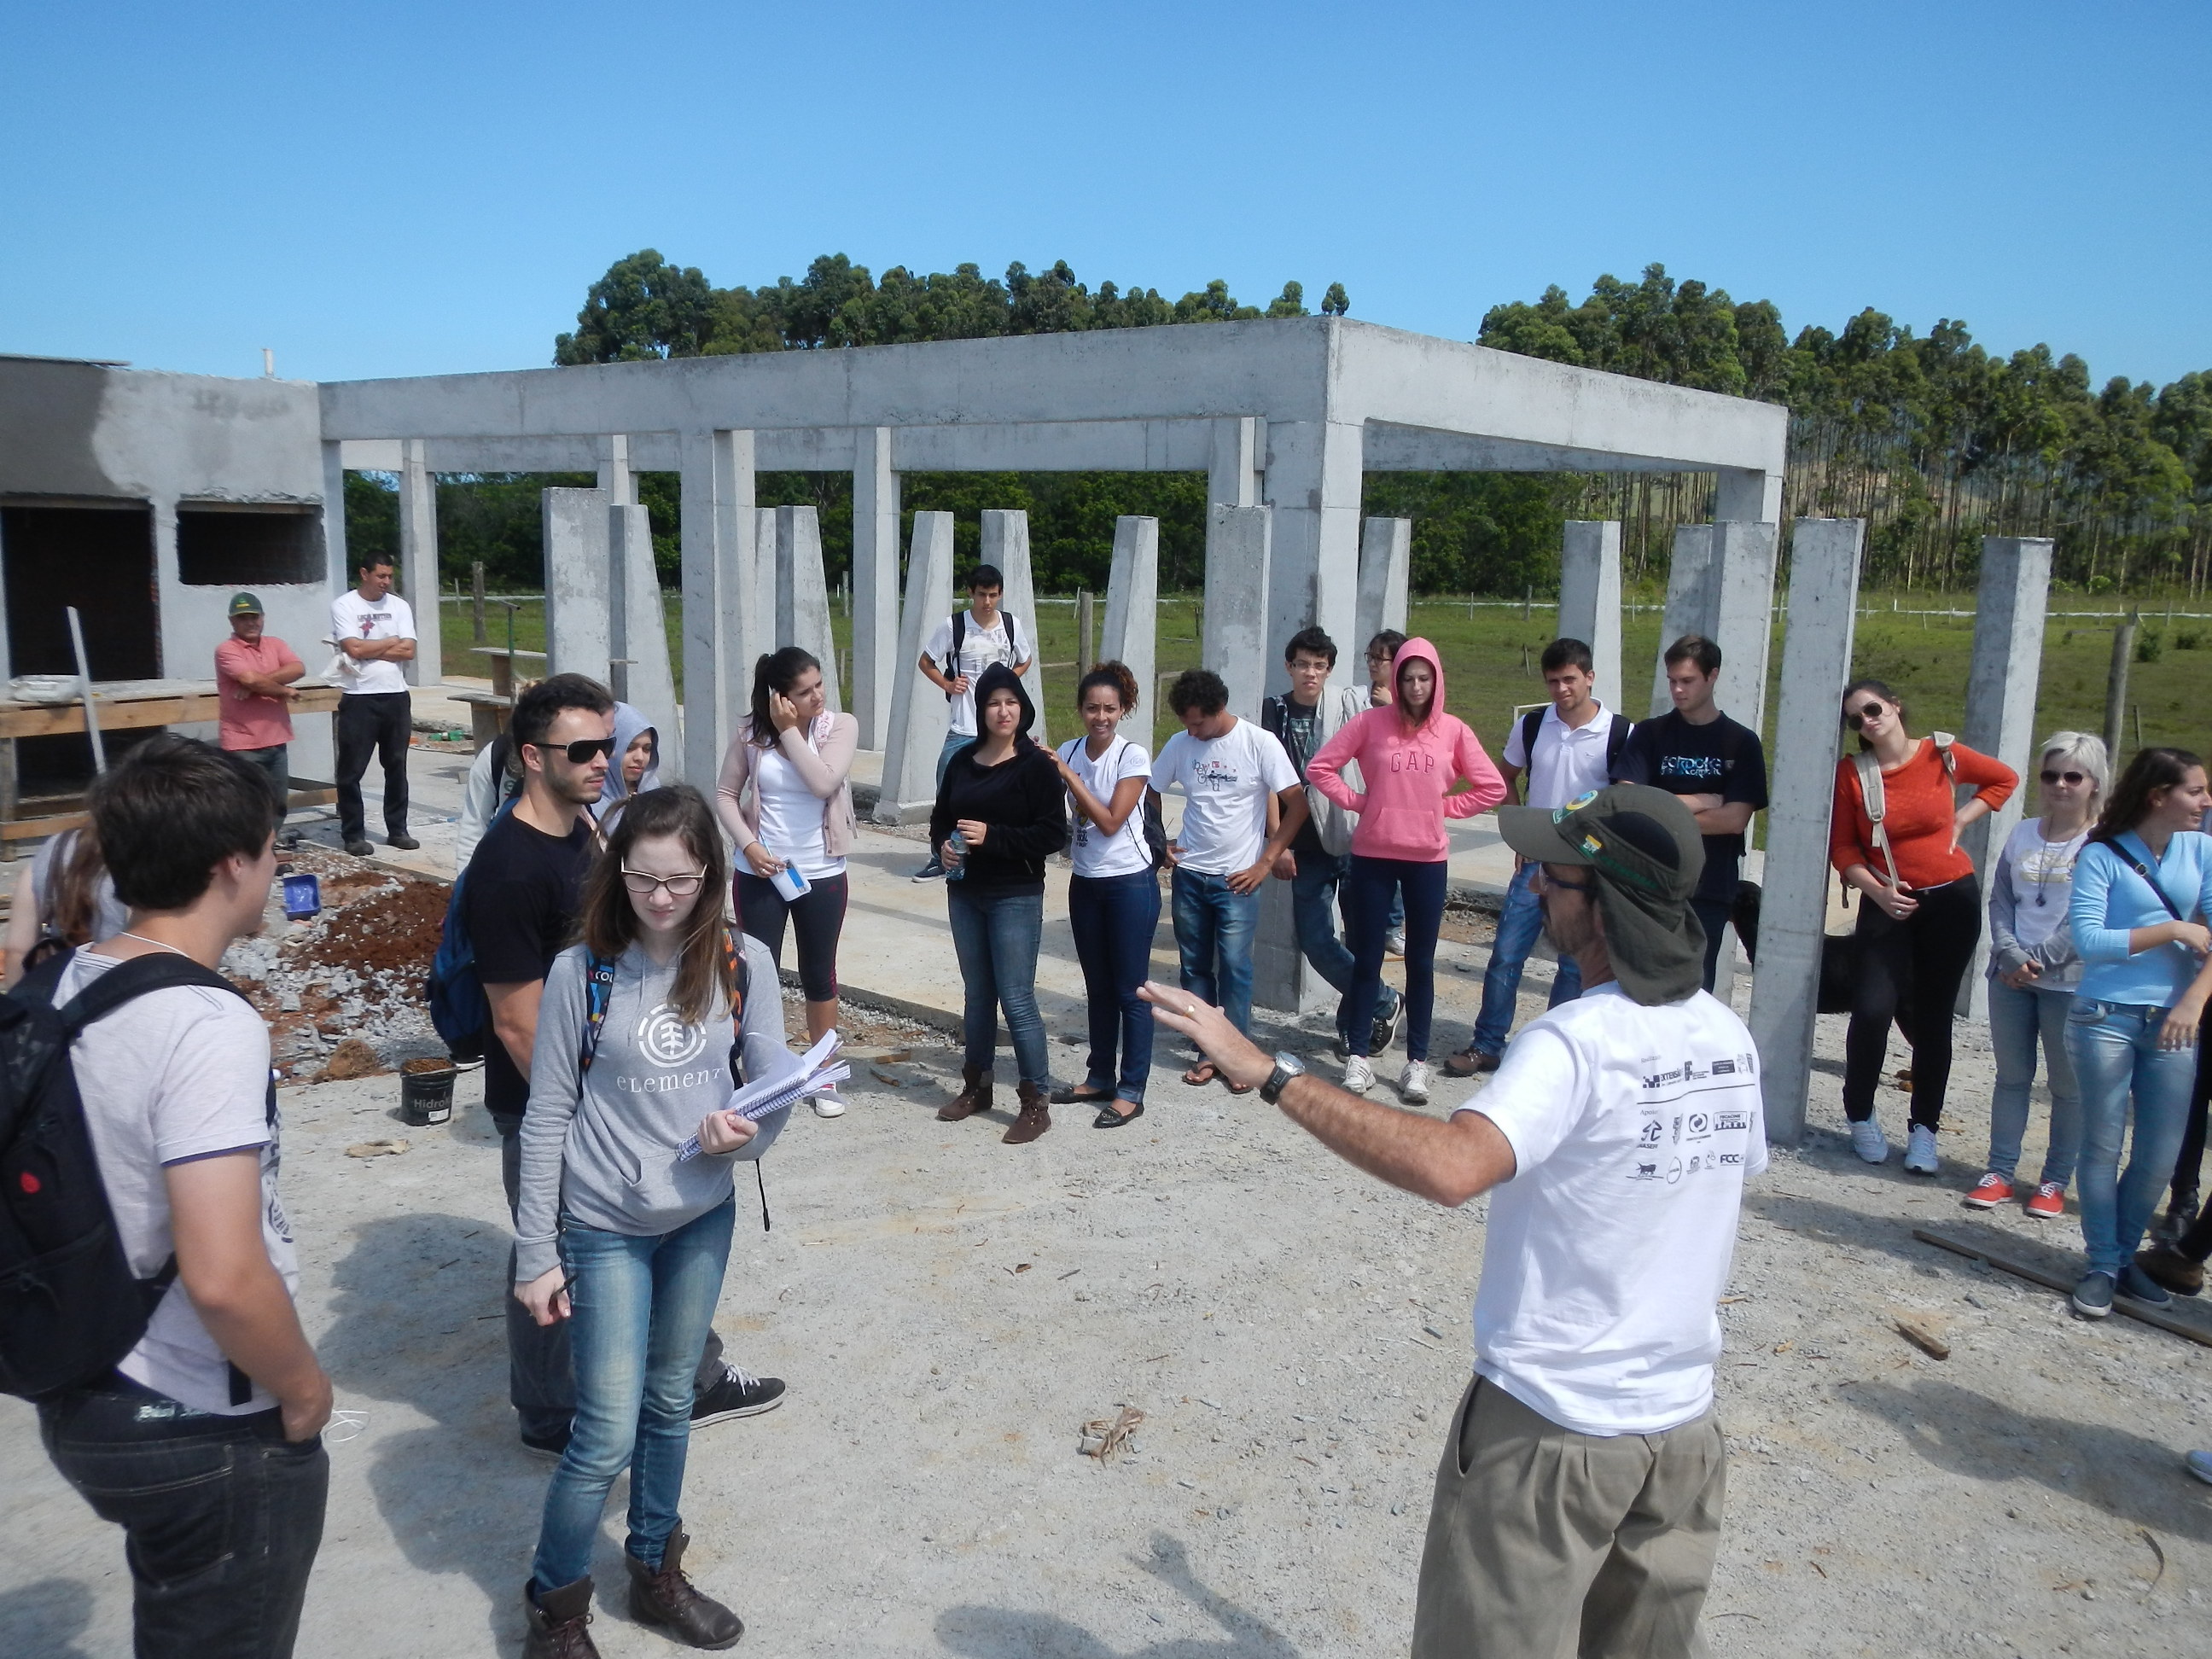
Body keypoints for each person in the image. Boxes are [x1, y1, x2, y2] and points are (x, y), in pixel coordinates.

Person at [1141, 783, 1763, 1658]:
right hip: (1682, 1435)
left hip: (1552, 1437)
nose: (1535, 888)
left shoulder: (1576, 1042)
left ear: (1608, 901)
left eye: (1553, 875)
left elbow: (1450, 1167)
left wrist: (1268, 1072)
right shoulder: (1725, 1038)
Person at [30, 735, 332, 1656]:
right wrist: (303, 1388)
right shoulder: (205, 1026)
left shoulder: (67, 984)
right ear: (231, 864)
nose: (278, 865)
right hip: (197, 1419)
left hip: (86, 1392)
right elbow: (224, 1275)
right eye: (273, 846)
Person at [513, 785, 795, 1656]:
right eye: (642, 880)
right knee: (602, 1429)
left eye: (679, 881)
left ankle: (654, 1570)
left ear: (709, 873)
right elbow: (547, 1115)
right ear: (616, 872)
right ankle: (556, 1613)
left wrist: (742, 1137)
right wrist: (536, 1250)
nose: (662, 899)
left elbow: (776, 1091)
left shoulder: (742, 962)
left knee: (672, 1399)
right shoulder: (581, 972)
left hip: (701, 1218)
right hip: (604, 1224)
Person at [466, 675, 776, 1456]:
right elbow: (514, 1017)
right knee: (556, 1250)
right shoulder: (508, 866)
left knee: (649, 1236)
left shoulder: (584, 831)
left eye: (609, 744)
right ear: (532, 757)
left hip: (609, 1091)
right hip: (551, 1097)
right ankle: (547, 1415)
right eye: (586, 749)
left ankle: (687, 1379)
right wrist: (593, 1120)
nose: (607, 759)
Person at [1829, 678, 2017, 1173]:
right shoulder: (1854, 773)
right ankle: (1861, 1115)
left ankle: (1924, 1131)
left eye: (1873, 709)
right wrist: (1878, 892)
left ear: (1894, 705)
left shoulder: (1941, 753)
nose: (1868, 721)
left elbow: (2004, 779)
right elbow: (1844, 848)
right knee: (1871, 1009)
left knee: (1933, 1019)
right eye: (1856, 719)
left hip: (1951, 899)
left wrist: (1962, 819)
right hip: (1887, 901)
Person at [1307, 637, 1507, 1103]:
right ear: (1395, 680)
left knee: (1420, 963)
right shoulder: (1370, 723)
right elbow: (1321, 768)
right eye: (1407, 677)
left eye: (1424, 677)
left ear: (1436, 680)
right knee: (1367, 959)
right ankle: (1359, 1054)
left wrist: (1445, 808)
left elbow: (1491, 787)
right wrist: (1361, 802)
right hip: (1373, 854)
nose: (1416, 686)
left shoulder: (1453, 731)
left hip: (1427, 859)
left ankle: (1416, 1063)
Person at [2061, 746, 2212, 1319]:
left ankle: (2123, 1259)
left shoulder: (2203, 850)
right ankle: (2104, 1264)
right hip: (2105, 1016)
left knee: (2159, 1155)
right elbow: (2090, 941)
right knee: (2101, 1145)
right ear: (2159, 796)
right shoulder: (2100, 855)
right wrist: (2173, 927)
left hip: (2176, 1022)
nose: (2206, 801)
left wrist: (2193, 1003)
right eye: (2195, 790)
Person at [1449, 637, 1628, 1076]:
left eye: (1570, 679)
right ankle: (1487, 1043)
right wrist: (1520, 830)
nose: (1561, 689)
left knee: (1573, 961)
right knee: (1507, 953)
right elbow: (1503, 777)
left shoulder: (1620, 733)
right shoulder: (1532, 726)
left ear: (1589, 677)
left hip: (1587, 868)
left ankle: (1555, 1053)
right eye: (1553, 681)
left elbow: (1624, 797)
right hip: (1535, 862)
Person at [1148, 668, 1307, 1091]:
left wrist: (1266, 860)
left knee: (1235, 967)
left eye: (1199, 722)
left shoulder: (1258, 743)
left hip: (1238, 878)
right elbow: (1152, 787)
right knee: (1194, 966)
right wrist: (1159, 839)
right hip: (1190, 874)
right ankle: (1207, 1050)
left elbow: (1298, 803)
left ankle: (1238, 1055)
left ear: (1219, 710)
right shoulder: (1181, 743)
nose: (1192, 731)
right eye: (1186, 723)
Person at [716, 646, 859, 1116]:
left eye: (819, 685)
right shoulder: (749, 734)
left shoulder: (839, 726)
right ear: (779, 697)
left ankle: (822, 1073)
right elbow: (724, 795)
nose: (817, 695)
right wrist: (749, 846)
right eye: (805, 691)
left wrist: (789, 731)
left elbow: (823, 781)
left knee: (820, 974)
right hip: (761, 873)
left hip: (821, 873)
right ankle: (765, 1075)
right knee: (757, 974)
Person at [932, 664, 1068, 1141]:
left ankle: (1036, 1101)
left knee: (1016, 997)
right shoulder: (963, 762)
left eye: (1011, 702)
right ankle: (977, 1086)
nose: (1003, 711)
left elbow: (1054, 834)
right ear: (980, 709)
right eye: (993, 702)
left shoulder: (1036, 766)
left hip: (1015, 894)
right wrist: (944, 850)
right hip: (966, 892)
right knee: (976, 994)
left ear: (1022, 707)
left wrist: (994, 837)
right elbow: (939, 822)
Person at [1972, 732, 2104, 1218]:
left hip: (2069, 980)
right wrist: (2009, 954)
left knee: (2066, 1086)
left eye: (2074, 776)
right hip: (2009, 976)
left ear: (2094, 783)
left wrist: (2040, 960)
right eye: (2051, 775)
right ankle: (1999, 1172)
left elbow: (2092, 913)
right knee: (2011, 1077)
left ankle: (2053, 1181)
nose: (2061, 785)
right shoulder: (2024, 832)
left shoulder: (2103, 840)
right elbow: (2001, 898)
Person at [1262, 628, 1406, 1065]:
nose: (1310, 673)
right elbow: (1267, 779)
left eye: (1319, 666)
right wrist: (1277, 843)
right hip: (1304, 844)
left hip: (1357, 834)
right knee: (1315, 940)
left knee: (1364, 938)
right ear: (1288, 666)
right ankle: (1383, 999)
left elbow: (1402, 747)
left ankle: (1354, 1025)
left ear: (1329, 671)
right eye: (1303, 664)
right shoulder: (1275, 711)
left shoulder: (1355, 706)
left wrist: (1388, 712)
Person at [1610, 634, 1768, 992]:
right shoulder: (1650, 734)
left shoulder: (1741, 743)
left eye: (1687, 681)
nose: (1678, 690)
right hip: (1647, 882)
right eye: (1672, 681)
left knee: (1694, 990)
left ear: (1712, 676)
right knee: (1638, 985)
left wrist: (1661, 811)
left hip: (1708, 886)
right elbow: (1628, 806)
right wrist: (1700, 799)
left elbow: (1733, 820)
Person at [1052, 662, 1160, 1125]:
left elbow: (1112, 820)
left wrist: (1067, 776)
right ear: (1080, 709)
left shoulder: (1131, 756)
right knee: (1097, 987)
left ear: (1123, 711)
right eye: (1093, 708)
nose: (1101, 717)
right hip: (1086, 882)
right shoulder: (1069, 749)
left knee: (1130, 990)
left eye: (1110, 709)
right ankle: (1100, 1076)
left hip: (1130, 882)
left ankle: (1132, 1089)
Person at [912, 564, 1034, 880]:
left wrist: (1008, 683)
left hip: (1002, 729)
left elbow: (1025, 658)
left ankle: (996, 852)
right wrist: (948, 685)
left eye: (993, 595)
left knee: (1006, 791)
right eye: (982, 595)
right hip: (964, 724)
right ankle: (942, 855)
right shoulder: (954, 626)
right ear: (970, 593)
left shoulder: (1010, 625)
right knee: (948, 789)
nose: (988, 602)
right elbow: (927, 661)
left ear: (1001, 594)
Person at [329, 554, 420, 858]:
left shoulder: (399, 606)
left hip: (395, 695)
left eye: (389, 576)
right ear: (364, 574)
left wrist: (369, 650)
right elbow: (352, 648)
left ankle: (398, 829)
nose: (385, 582)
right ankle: (353, 833)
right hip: (359, 697)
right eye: (380, 576)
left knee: (396, 765)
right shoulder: (345, 605)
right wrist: (387, 641)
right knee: (351, 769)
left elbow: (408, 651)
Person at [214, 590, 306, 845]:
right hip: (242, 744)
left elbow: (298, 668)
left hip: (276, 740)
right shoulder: (226, 650)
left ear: (263, 617)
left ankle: (267, 852)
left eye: (254, 616)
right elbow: (250, 679)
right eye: (243, 618)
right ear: (232, 621)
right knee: (247, 806)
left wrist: (259, 684)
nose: (251, 622)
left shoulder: (275, 644)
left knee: (278, 803)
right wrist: (284, 690)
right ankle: (247, 857)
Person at [3, 822, 127, 989]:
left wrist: (18, 1003)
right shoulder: (153, 856)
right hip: (120, 991)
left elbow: (17, 949)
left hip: (54, 993)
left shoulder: (58, 845)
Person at [1363, 629, 1410, 956]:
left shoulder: (1405, 699)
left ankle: (1393, 926)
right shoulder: (1367, 693)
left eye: (1381, 658)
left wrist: (1391, 709)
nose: (1374, 664)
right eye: (1371, 656)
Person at [591, 702, 662, 837]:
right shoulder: (592, 802)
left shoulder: (652, 790)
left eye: (647, 749)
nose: (640, 758)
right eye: (629, 748)